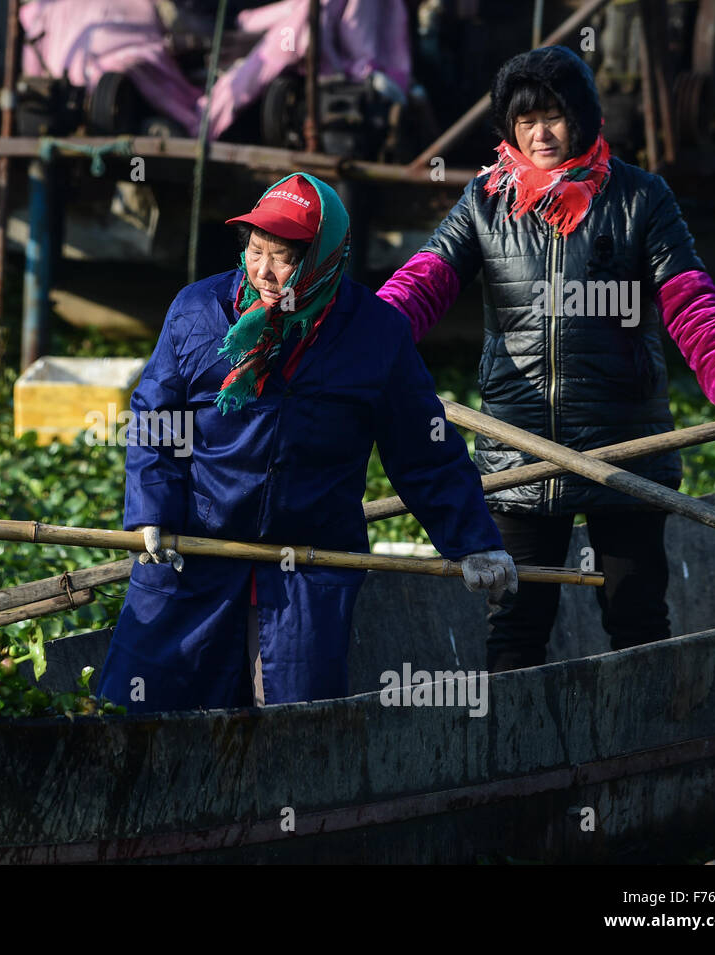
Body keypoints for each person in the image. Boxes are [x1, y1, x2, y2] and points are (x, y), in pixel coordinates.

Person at [376, 45, 715, 672]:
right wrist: (360, 343)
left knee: (637, 617)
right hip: (518, 454)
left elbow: (689, 299)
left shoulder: (641, 198)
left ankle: (647, 756)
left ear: (586, 118)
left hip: (626, 450)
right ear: (508, 128)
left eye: (555, 116)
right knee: (515, 628)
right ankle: (514, 766)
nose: (540, 134)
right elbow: (422, 282)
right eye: (524, 120)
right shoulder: (484, 201)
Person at [97, 172, 517, 714]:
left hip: (310, 561)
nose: (265, 272)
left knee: (296, 722)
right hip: (195, 550)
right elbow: (156, 416)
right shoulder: (196, 311)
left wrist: (474, 540)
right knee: (147, 706)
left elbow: (424, 448)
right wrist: (152, 510)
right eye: (254, 250)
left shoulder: (374, 333)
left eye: (285, 258)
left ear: (325, 256)